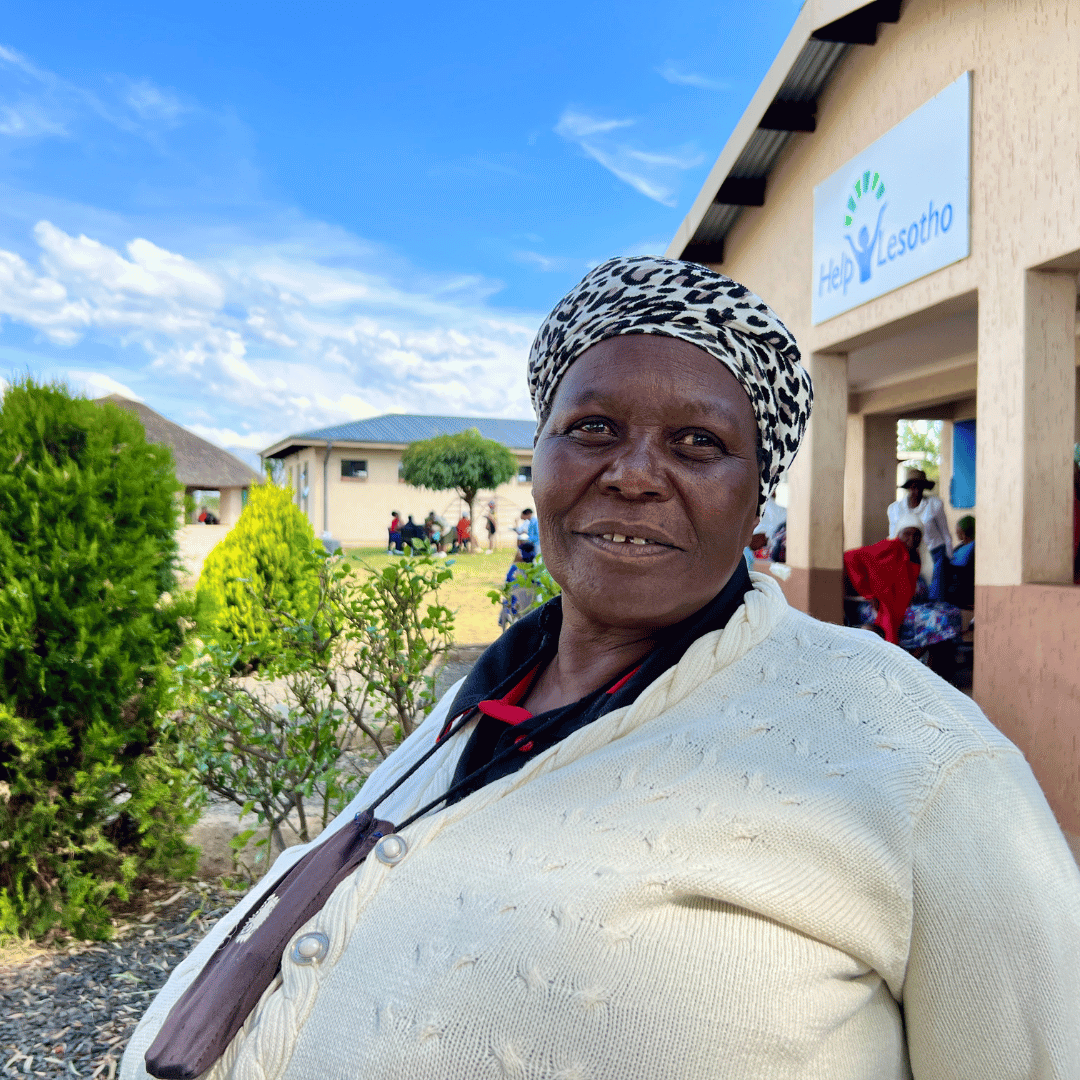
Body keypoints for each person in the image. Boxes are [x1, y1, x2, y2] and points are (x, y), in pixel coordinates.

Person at [126, 257, 1079, 1080]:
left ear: (758, 500)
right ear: (537, 461)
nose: (632, 473)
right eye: (593, 429)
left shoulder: (922, 761)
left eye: (698, 443)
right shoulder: (472, 706)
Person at [844, 512, 963, 675]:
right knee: (938, 619)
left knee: (952, 611)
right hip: (884, 606)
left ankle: (932, 666)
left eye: (917, 535)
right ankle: (911, 665)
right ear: (898, 533)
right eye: (907, 533)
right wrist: (869, 594)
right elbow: (851, 557)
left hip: (908, 604)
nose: (912, 539)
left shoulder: (917, 555)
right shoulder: (890, 547)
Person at [887, 468, 952, 596]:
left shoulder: (935, 505)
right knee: (911, 592)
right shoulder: (895, 509)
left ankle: (935, 615)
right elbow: (893, 534)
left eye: (920, 487)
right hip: (908, 555)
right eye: (914, 487)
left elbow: (945, 532)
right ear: (909, 488)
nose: (917, 491)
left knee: (935, 592)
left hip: (934, 553)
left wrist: (948, 555)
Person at [498, 540, 538, 629]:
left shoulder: (514, 568)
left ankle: (503, 624)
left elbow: (507, 584)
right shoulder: (535, 571)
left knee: (506, 601)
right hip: (532, 608)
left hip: (515, 607)